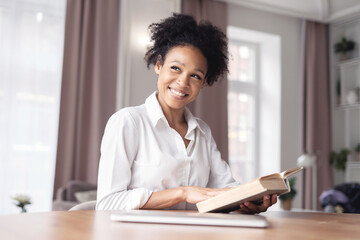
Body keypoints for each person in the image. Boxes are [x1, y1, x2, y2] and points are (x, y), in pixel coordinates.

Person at [96, 13, 277, 213]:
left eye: (195, 76)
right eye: (175, 68)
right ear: (158, 65)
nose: (183, 82)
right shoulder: (128, 122)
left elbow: (225, 190)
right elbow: (108, 203)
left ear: (204, 82)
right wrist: (183, 193)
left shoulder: (202, 132)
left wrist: (247, 203)